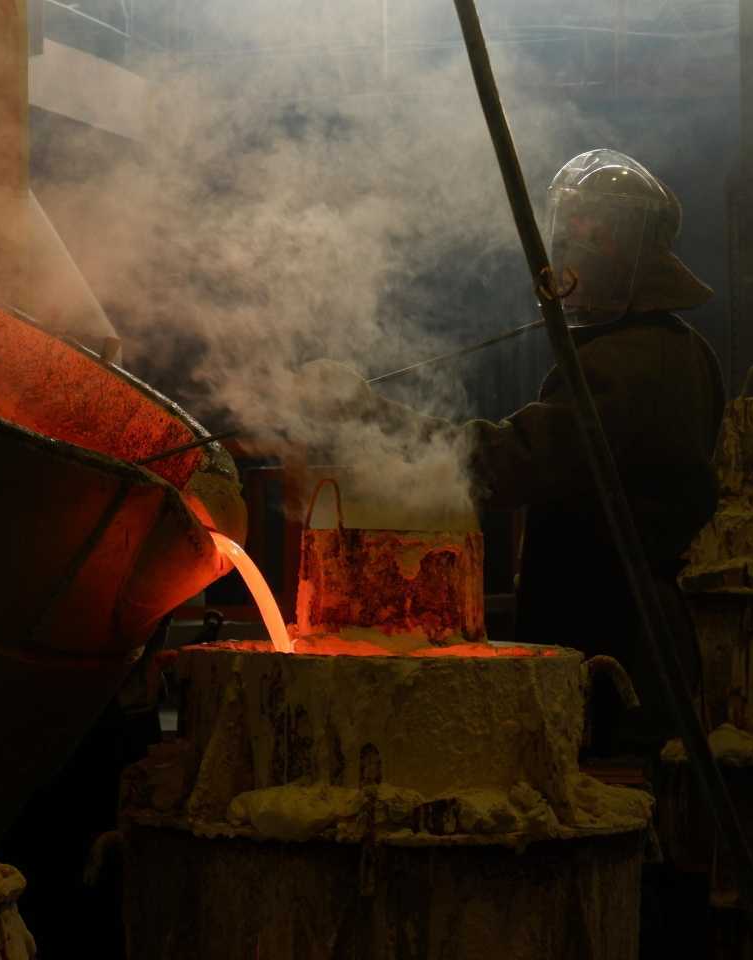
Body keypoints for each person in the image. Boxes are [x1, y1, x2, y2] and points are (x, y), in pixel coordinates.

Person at [300, 149, 725, 760]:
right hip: (619, 625)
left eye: (595, 230)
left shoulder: (636, 362)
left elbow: (503, 464)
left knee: (614, 809)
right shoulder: (667, 348)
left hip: (617, 636)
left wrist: (365, 414)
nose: (574, 244)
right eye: (570, 225)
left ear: (635, 250)